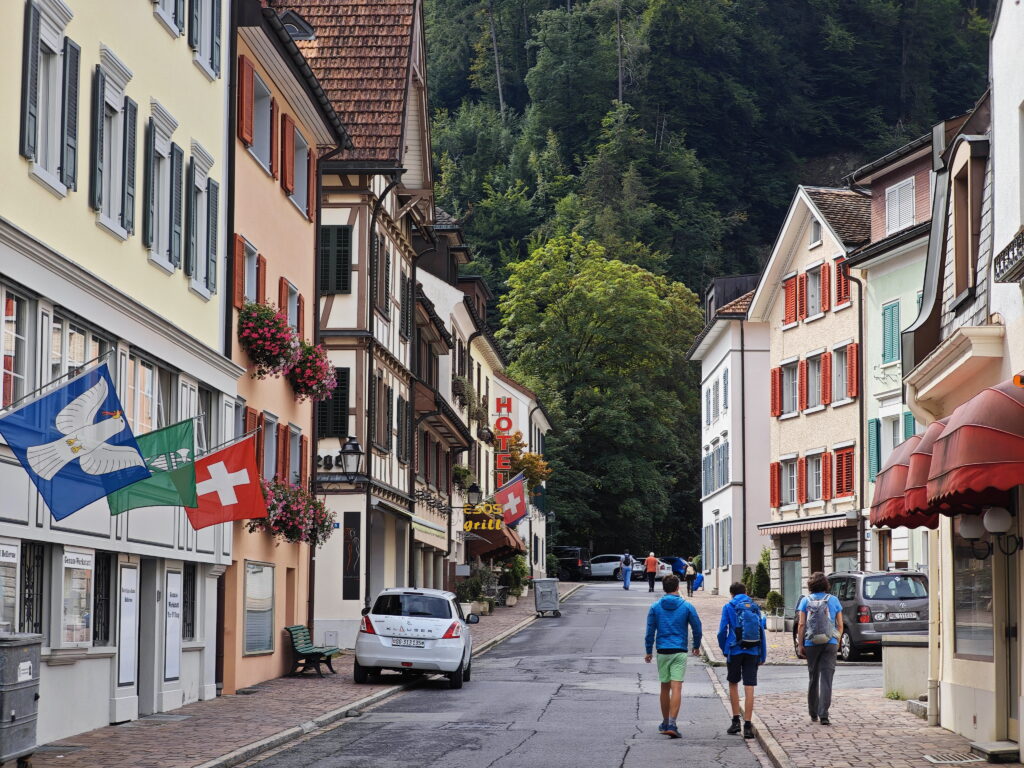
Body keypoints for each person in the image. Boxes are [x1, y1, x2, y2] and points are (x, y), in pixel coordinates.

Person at [644, 574, 702, 738]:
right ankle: (672, 723)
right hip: (679, 650)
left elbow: (650, 631)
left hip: (663, 651)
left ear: (664, 588)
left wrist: (648, 650)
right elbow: (697, 627)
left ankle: (664, 722)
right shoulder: (687, 606)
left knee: (664, 686)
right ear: (677, 587)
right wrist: (696, 645)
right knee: (677, 687)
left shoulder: (655, 607)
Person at [717, 582, 767, 739]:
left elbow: (721, 631)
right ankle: (747, 725)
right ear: (746, 592)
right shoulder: (754, 607)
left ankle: (735, 721)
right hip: (753, 650)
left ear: (732, 594)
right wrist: (762, 654)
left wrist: (725, 649)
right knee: (749, 687)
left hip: (734, 649)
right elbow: (761, 631)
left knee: (733, 683)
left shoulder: (728, 607)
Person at [796, 572, 844, 725]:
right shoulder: (834, 600)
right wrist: (836, 639)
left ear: (810, 586)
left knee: (813, 677)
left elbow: (802, 624)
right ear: (825, 585)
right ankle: (824, 714)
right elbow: (840, 624)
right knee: (827, 679)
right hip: (830, 642)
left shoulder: (805, 600)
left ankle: (813, 712)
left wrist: (801, 644)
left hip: (811, 643)